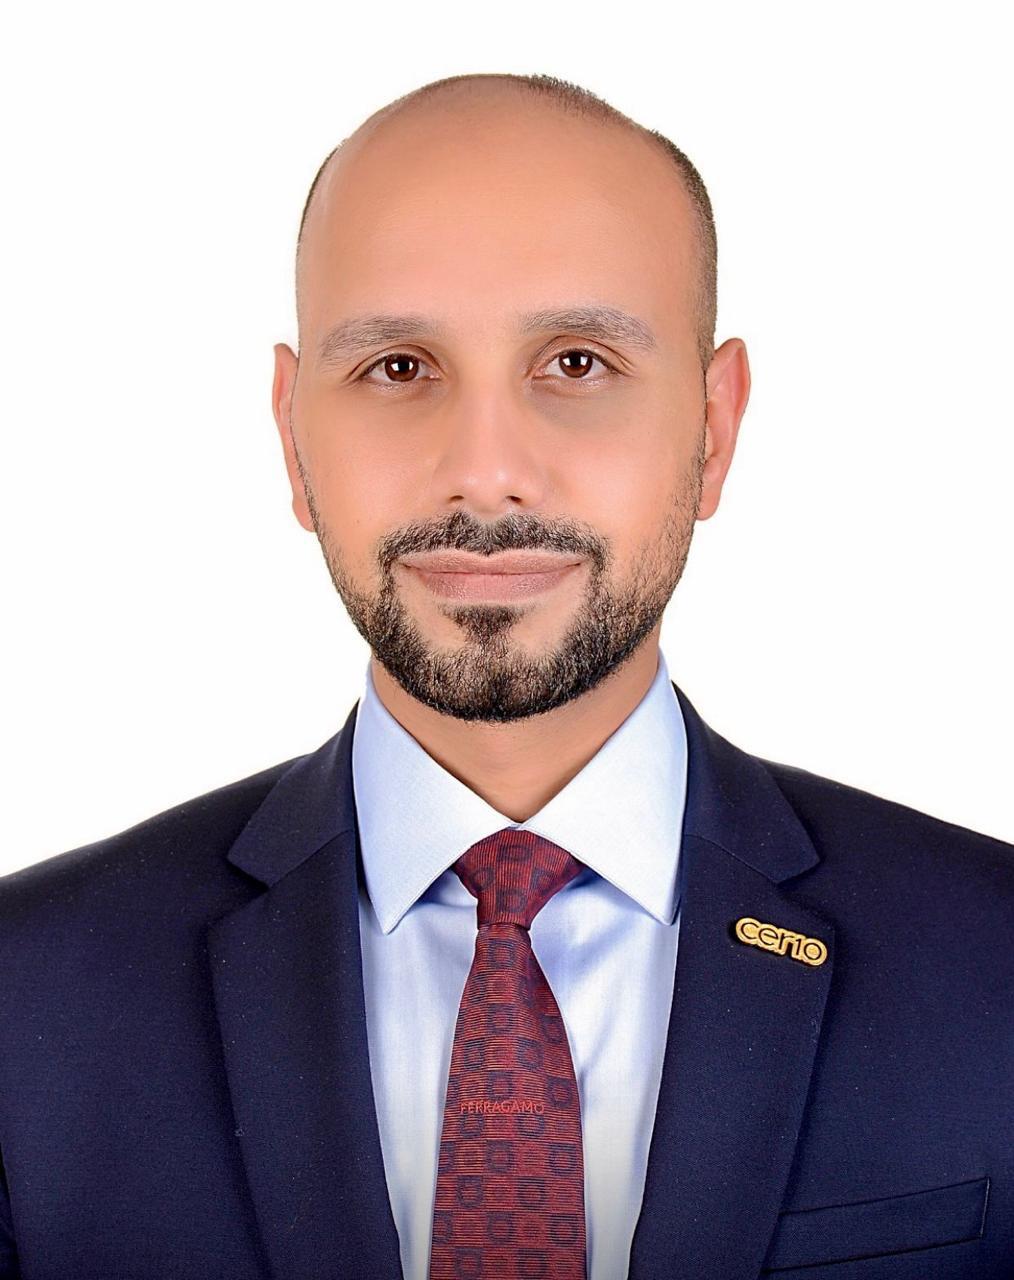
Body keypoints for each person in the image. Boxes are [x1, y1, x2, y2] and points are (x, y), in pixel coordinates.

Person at [0, 70, 1010, 1280]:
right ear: (292, 434)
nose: (484, 472)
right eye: (398, 367)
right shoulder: (22, 995)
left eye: (577, 362)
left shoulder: (995, 961)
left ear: (715, 426)